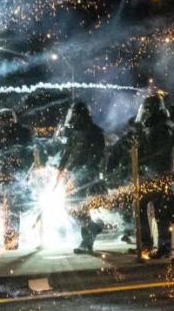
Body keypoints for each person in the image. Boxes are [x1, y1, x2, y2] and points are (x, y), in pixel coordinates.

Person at [55, 101, 106, 255]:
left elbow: (97, 156)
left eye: (74, 115)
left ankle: (89, 235)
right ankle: (90, 233)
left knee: (75, 204)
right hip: (75, 174)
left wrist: (87, 173)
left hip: (87, 175)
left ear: (80, 115)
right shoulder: (75, 133)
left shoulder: (95, 132)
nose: (72, 118)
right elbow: (67, 154)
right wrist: (60, 172)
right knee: (74, 206)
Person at [135, 95, 174, 259]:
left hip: (161, 174)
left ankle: (163, 247)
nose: (145, 113)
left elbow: (161, 151)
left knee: (162, 212)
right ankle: (149, 243)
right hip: (152, 173)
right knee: (145, 205)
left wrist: (144, 159)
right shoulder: (154, 125)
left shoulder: (164, 126)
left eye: (147, 109)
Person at [0, 108, 33, 250]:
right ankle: (11, 239)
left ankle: (11, 240)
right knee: (11, 209)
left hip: (15, 176)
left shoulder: (17, 133)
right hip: (11, 177)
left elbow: (28, 155)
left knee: (12, 209)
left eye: (1, 120)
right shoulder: (5, 134)